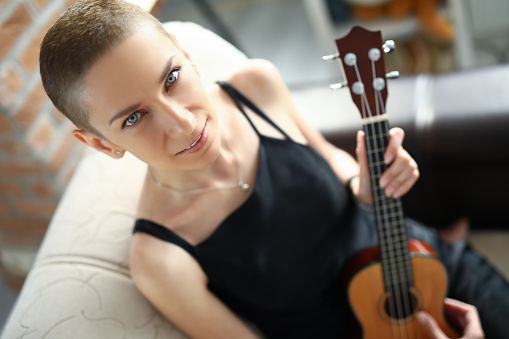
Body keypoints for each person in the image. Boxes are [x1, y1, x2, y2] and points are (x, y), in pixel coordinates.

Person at [39, 1, 506, 338]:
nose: (183, 124)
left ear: (186, 54)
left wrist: (366, 183)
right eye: (134, 118)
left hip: (428, 265)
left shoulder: (256, 86)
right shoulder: (161, 260)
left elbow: (331, 162)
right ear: (101, 144)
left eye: (172, 79)